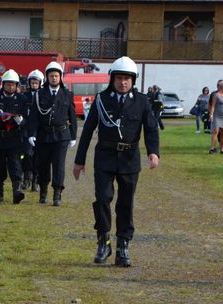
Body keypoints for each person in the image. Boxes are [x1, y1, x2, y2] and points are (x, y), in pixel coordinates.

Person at [73, 56, 159, 267]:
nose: (123, 82)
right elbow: (88, 130)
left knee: (125, 203)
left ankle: (123, 246)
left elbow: (150, 128)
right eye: (119, 78)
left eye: (127, 79)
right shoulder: (101, 100)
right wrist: (79, 160)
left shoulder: (141, 101)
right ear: (112, 79)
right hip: (105, 157)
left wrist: (153, 152)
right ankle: (104, 241)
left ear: (133, 80)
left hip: (130, 159)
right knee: (103, 198)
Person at [28, 61, 78, 206]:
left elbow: (73, 116)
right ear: (47, 77)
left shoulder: (67, 94)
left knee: (59, 165)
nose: (54, 78)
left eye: (56, 76)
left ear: (60, 77)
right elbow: (34, 116)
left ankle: (57, 193)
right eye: (51, 76)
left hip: (61, 135)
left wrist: (73, 136)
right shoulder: (39, 94)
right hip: (44, 135)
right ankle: (43, 191)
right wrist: (32, 133)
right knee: (43, 165)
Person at [0, 69, 28, 204]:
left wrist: (21, 121)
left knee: (15, 164)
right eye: (8, 84)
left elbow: (26, 117)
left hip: (15, 138)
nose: (10, 87)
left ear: (17, 86)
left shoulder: (22, 99)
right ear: (3, 84)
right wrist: (8, 119)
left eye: (13, 85)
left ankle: (17, 191)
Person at [22, 69, 44, 192]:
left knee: (38, 156)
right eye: (32, 83)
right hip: (26, 130)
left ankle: (36, 179)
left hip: (39, 131)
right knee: (27, 155)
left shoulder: (43, 96)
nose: (34, 85)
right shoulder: (24, 97)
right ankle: (26, 177)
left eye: (36, 83)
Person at [208, 80, 223, 154]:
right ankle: (212, 148)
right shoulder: (216, 95)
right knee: (216, 131)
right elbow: (213, 105)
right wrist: (211, 114)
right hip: (217, 115)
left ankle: (222, 148)